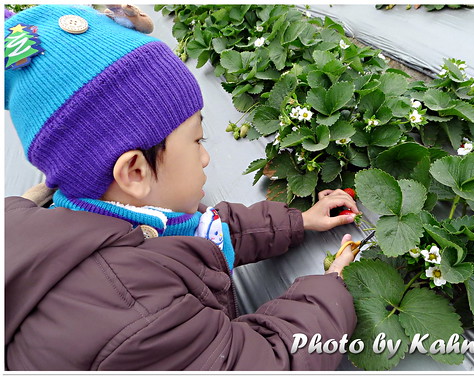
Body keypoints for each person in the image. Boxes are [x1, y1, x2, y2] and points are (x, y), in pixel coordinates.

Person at [5, 4, 360, 371]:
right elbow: (264, 361)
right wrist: (331, 288)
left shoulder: (97, 212)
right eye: (196, 141)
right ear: (135, 173)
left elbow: (204, 233)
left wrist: (299, 222)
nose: (206, 158)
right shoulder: (137, 318)